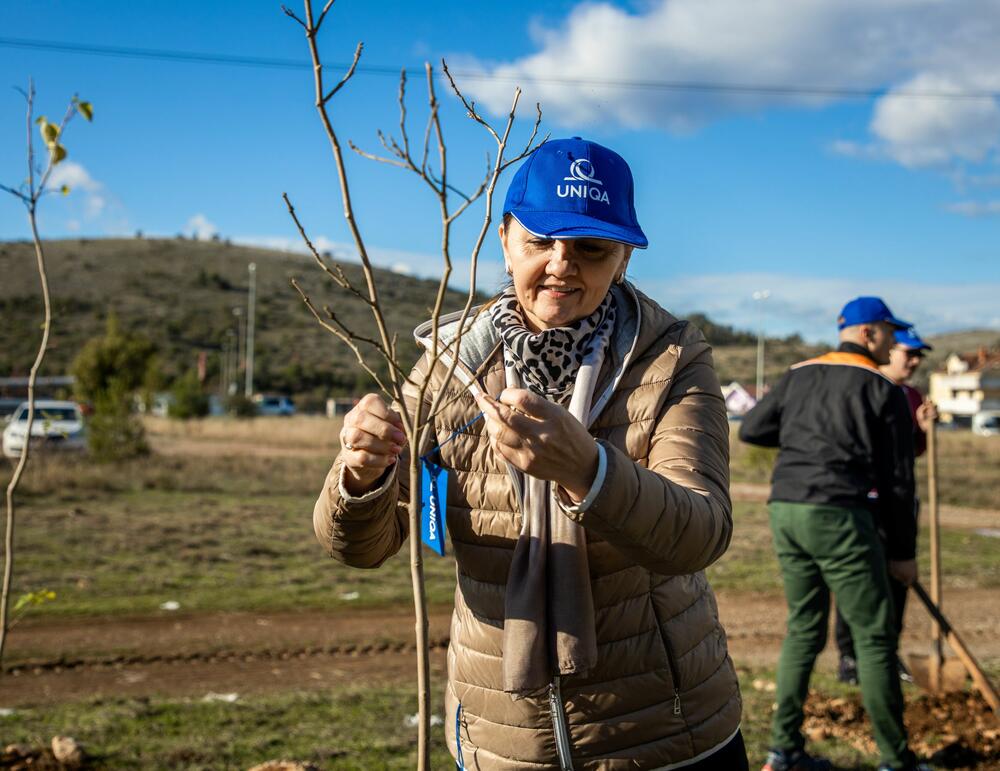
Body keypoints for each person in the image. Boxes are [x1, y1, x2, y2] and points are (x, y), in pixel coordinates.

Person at [313, 137, 747, 769]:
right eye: (540, 241)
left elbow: (699, 533)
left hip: (665, 732)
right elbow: (362, 546)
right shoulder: (451, 367)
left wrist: (588, 470)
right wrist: (360, 473)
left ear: (623, 258)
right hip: (501, 739)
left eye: (591, 247)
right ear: (506, 240)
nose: (562, 266)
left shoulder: (673, 359)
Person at [739, 297, 929, 771]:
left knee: (803, 629)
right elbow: (898, 483)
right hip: (839, 515)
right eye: (889, 331)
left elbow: (754, 428)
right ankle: (895, 760)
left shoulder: (800, 373)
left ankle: (782, 751)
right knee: (873, 638)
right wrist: (902, 552)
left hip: (786, 509)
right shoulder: (881, 388)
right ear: (869, 333)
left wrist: (807, 436)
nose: (894, 341)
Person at [835, 327, 937, 686]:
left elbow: (910, 452)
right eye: (907, 353)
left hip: (900, 501)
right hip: (865, 502)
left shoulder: (911, 395)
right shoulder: (865, 386)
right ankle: (849, 656)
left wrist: (923, 430)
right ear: (890, 349)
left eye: (917, 356)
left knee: (899, 578)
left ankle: (887, 652)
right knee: (859, 579)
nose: (913, 361)